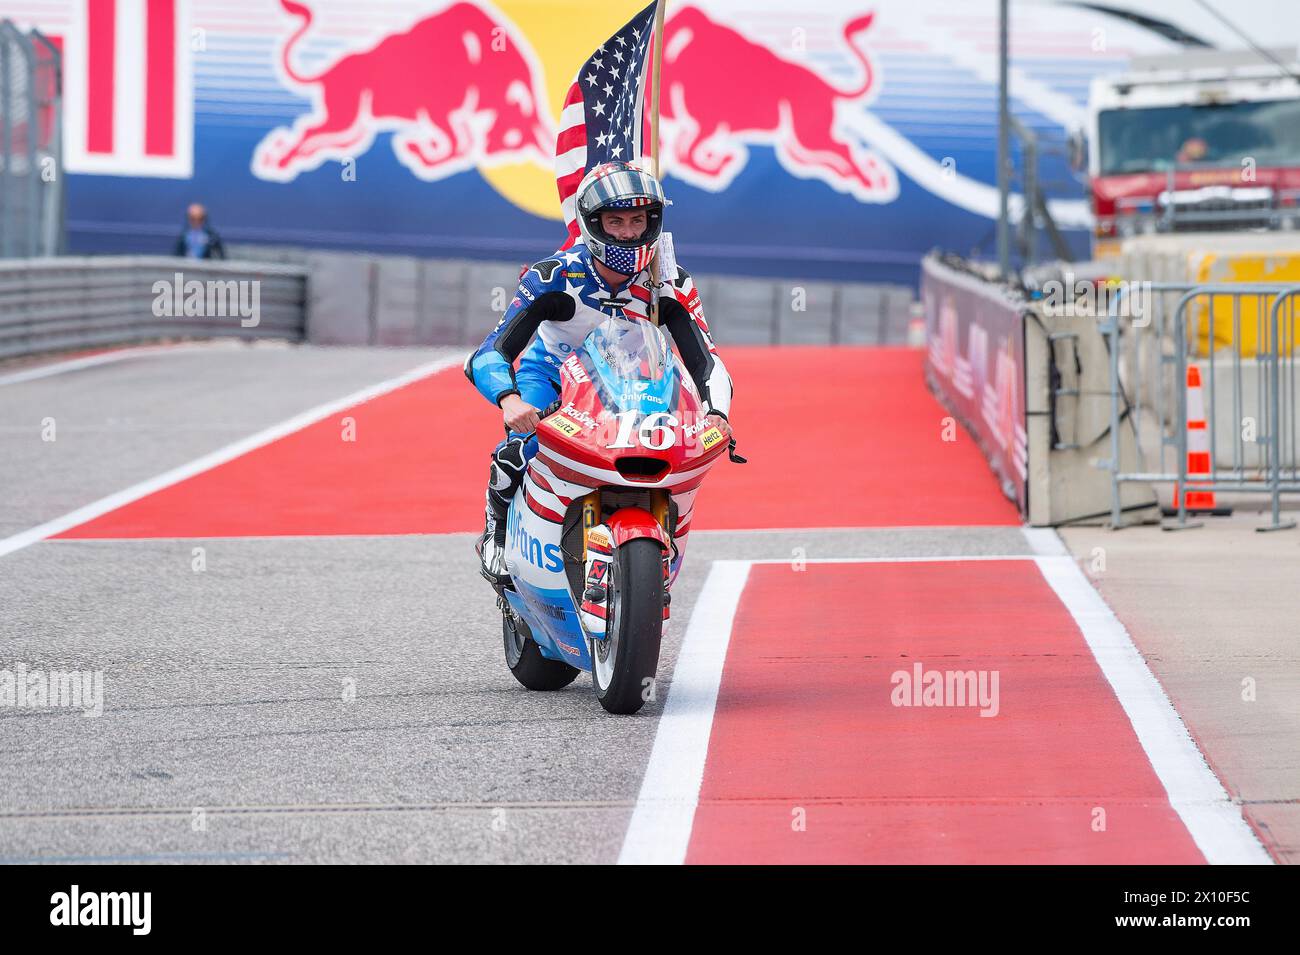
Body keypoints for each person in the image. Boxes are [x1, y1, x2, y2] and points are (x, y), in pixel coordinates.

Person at [464, 160, 733, 584]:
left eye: (638, 220)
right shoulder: (554, 276)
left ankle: (650, 553)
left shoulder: (670, 283)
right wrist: (510, 399)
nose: (628, 231)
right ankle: (495, 532)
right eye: (615, 221)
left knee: (673, 455)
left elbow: (706, 359)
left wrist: (717, 412)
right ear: (593, 224)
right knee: (519, 451)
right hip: (552, 379)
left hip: (635, 386)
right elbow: (486, 354)